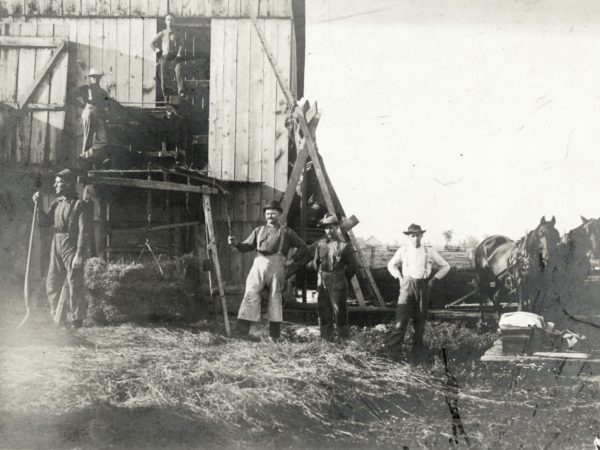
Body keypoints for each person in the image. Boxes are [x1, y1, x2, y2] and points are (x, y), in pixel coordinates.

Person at [228, 200, 307, 341]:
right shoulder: (258, 230)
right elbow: (246, 246)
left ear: (280, 215)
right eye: (268, 213)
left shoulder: (287, 232)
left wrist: (291, 260)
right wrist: (236, 243)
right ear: (265, 215)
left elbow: (303, 247)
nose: (270, 216)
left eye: (273, 213)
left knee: (275, 297)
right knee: (250, 293)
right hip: (259, 263)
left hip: (277, 265)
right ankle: (242, 332)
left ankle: (274, 336)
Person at [32, 169, 89, 328]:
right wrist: (37, 205)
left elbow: (84, 231)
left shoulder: (80, 205)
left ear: (68, 184)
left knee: (74, 281)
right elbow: (44, 223)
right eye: (55, 182)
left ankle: (77, 320)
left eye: (58, 183)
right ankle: (59, 317)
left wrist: (79, 253)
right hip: (56, 243)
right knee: (52, 280)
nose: (55, 185)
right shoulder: (57, 203)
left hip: (71, 243)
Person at [386, 223, 450, 357]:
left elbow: (446, 266)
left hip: (423, 287)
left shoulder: (429, 251)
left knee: (420, 322)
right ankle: (393, 353)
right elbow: (391, 265)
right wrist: (399, 277)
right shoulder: (403, 250)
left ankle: (417, 353)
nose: (415, 238)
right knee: (401, 320)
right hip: (407, 286)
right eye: (413, 236)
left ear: (422, 235)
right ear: (409, 237)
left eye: (418, 235)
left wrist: (433, 279)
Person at [310, 213, 355, 341]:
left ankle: (343, 339)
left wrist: (341, 278)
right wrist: (321, 275)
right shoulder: (320, 244)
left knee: (340, 309)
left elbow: (352, 267)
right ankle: (326, 338)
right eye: (326, 228)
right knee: (323, 308)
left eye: (331, 227)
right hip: (323, 278)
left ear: (337, 227)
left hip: (338, 279)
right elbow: (315, 263)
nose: (329, 231)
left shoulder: (344, 246)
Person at [73, 68, 109, 157]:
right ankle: (84, 163)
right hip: (89, 111)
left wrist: (105, 117)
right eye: (93, 77)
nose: (95, 79)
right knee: (88, 138)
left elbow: (106, 106)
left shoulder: (103, 92)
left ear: (100, 78)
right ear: (90, 78)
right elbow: (70, 96)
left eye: (97, 77)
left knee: (102, 140)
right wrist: (84, 106)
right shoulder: (85, 88)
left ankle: (85, 156)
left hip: (99, 114)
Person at [150, 13, 184, 97]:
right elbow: (151, 43)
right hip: (164, 56)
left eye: (171, 20)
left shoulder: (177, 33)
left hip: (174, 57)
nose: (170, 21)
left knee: (178, 71)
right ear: (165, 21)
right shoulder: (162, 33)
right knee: (163, 75)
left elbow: (181, 44)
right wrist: (156, 49)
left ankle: (181, 91)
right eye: (168, 20)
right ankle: (165, 93)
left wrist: (179, 53)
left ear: (174, 21)